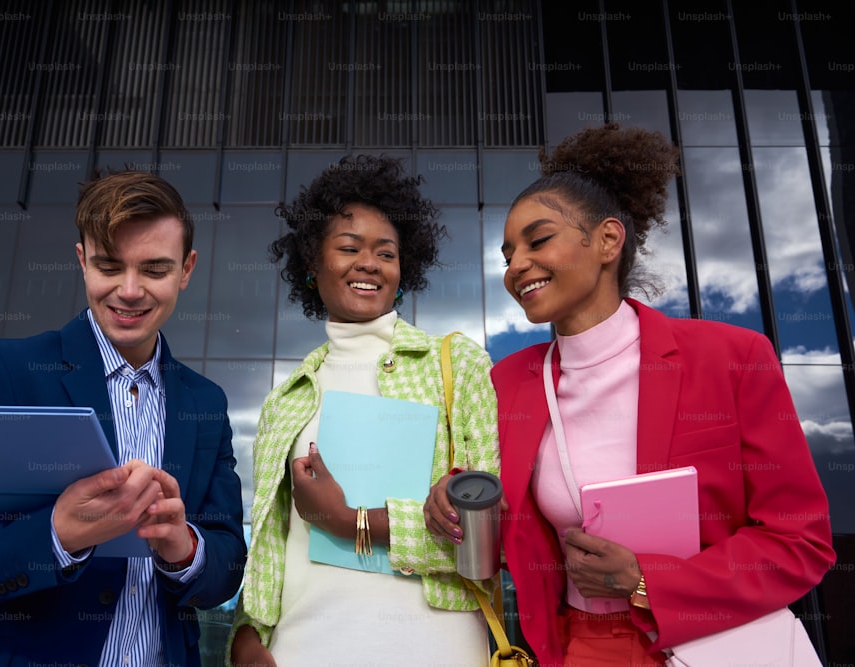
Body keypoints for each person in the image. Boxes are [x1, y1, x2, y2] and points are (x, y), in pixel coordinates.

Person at [469, 123, 835, 666]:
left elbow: (800, 542)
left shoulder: (731, 356)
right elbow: (500, 522)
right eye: (507, 254)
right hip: (585, 648)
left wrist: (647, 582)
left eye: (538, 240)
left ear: (608, 241)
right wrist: (454, 502)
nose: (516, 264)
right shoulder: (509, 382)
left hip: (720, 642)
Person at [0, 170, 247, 667]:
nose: (129, 290)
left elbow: (227, 563)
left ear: (187, 269)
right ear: (82, 261)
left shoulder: (207, 403)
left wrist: (185, 548)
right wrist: (57, 535)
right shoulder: (9, 372)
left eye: (155, 270)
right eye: (108, 265)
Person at [227, 154, 499, 666]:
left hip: (430, 646)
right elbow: (273, 537)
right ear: (312, 264)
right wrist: (248, 630)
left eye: (386, 253)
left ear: (404, 267)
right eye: (348, 248)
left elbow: (487, 539)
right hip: (301, 644)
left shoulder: (456, 365)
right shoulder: (287, 397)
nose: (369, 263)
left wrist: (347, 520)